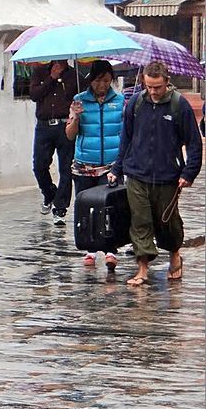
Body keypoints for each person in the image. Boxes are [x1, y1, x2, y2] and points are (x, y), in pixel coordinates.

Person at [108, 61, 202, 286]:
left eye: (157, 87)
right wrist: (117, 168)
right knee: (140, 220)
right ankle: (142, 268)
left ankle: (174, 254)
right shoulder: (136, 104)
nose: (152, 91)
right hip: (137, 173)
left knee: (167, 222)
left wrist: (189, 173)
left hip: (167, 175)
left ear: (167, 83)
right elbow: (126, 139)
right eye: (149, 86)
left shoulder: (180, 106)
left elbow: (194, 142)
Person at [65, 59, 123, 270]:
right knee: (87, 207)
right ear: (91, 80)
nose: (103, 85)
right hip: (84, 164)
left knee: (110, 207)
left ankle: (110, 249)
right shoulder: (78, 101)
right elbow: (70, 135)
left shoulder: (119, 101)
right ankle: (90, 248)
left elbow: (125, 132)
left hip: (111, 164)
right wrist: (76, 118)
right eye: (99, 80)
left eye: (107, 81)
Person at [30, 59, 83, 225]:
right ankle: (50, 193)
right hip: (44, 125)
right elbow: (34, 95)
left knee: (66, 168)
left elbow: (82, 95)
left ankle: (60, 208)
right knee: (39, 165)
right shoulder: (39, 72)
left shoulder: (74, 75)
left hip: (65, 125)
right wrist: (51, 77)